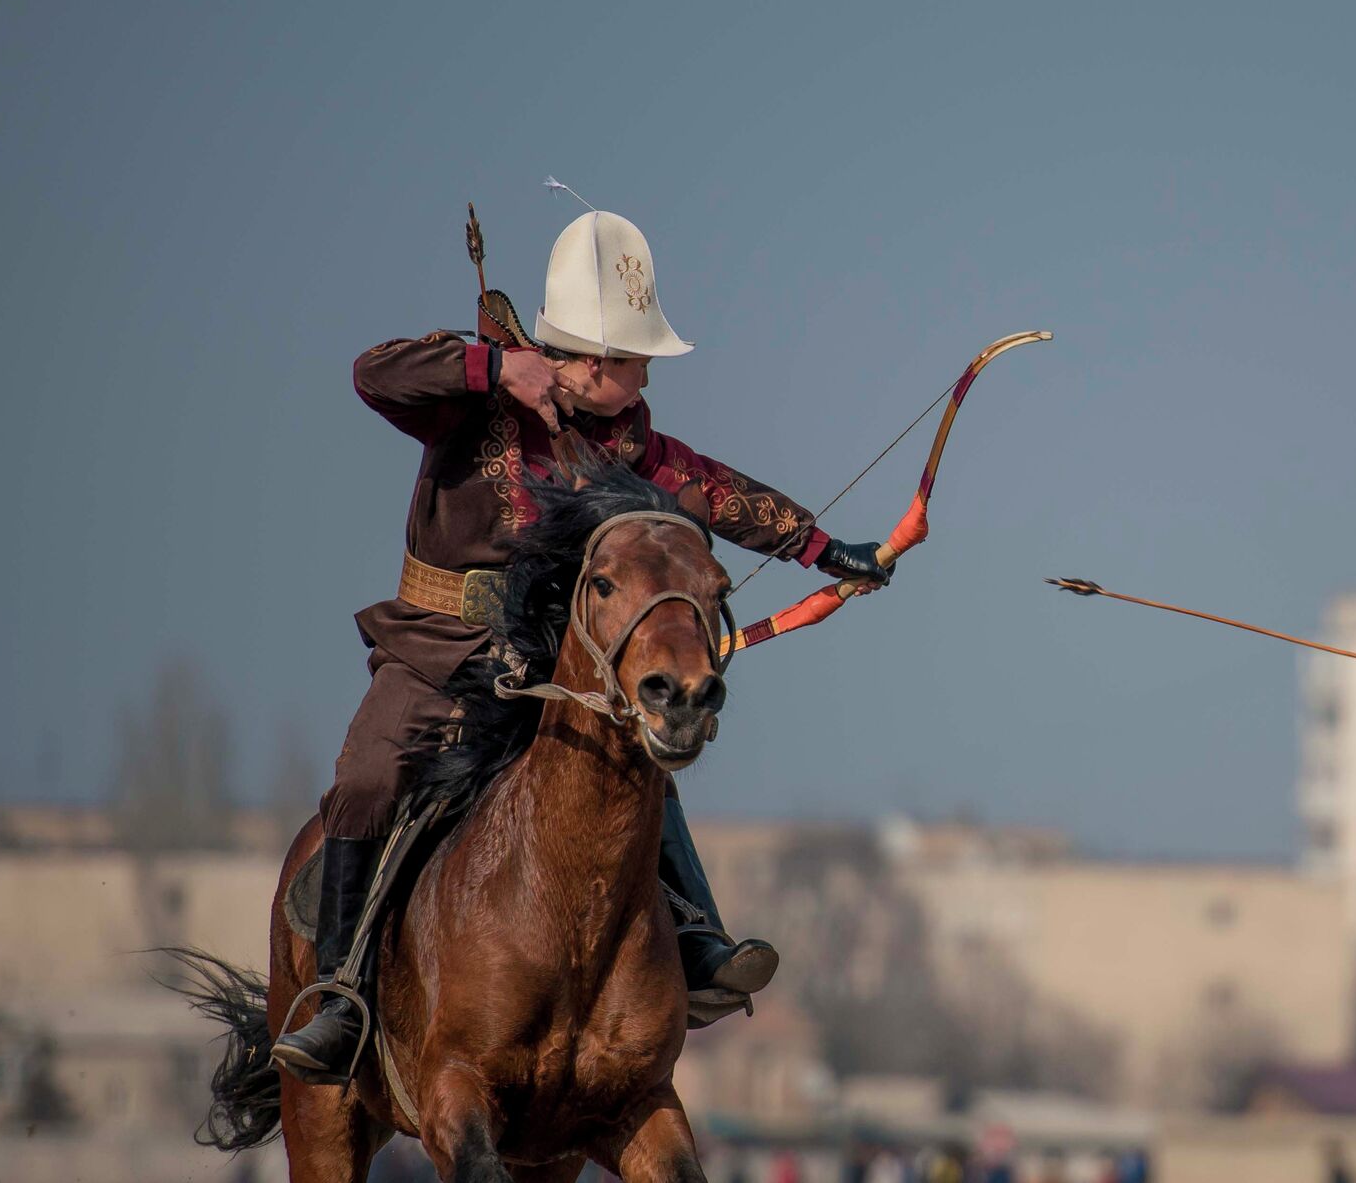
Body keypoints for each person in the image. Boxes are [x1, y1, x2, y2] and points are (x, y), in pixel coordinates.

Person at [271, 208, 892, 1084]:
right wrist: (490, 365)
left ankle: (698, 940)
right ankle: (338, 996)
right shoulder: (472, 401)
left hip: (549, 673)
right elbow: (374, 374)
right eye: (636, 359)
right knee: (368, 775)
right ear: (591, 360)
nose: (644, 377)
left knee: (640, 756)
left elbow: (724, 497)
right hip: (437, 652)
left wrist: (833, 553)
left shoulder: (637, 450)